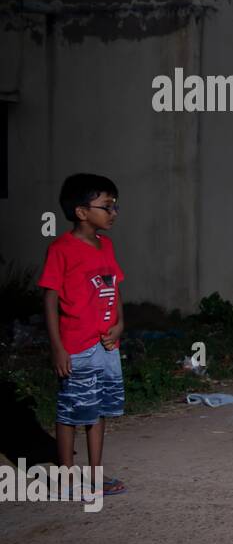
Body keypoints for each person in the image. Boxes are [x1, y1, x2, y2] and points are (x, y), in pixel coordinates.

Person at [38, 173, 129, 498]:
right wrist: (57, 348)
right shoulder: (61, 249)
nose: (114, 212)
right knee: (72, 412)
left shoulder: (107, 246)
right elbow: (49, 299)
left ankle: (95, 474)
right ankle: (66, 479)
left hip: (106, 345)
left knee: (99, 410)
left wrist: (120, 324)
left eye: (115, 205)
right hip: (76, 346)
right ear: (81, 212)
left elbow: (114, 287)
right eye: (107, 206)